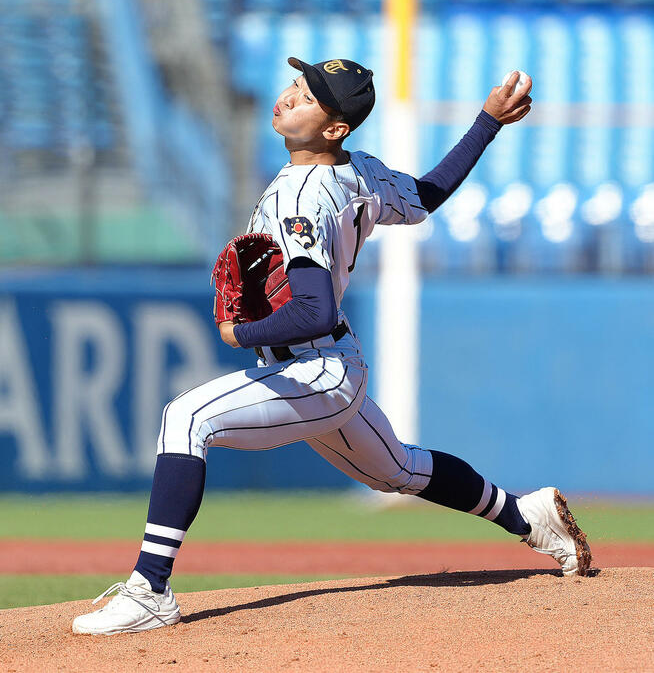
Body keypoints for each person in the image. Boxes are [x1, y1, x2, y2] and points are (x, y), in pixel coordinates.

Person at [72, 59, 591, 635]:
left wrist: (238, 334)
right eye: (295, 84)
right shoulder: (356, 171)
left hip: (315, 371)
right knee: (398, 470)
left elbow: (314, 310)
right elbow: (424, 196)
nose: (288, 96)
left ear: (335, 128)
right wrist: (486, 124)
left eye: (308, 95)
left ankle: (149, 590)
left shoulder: (304, 197)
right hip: (330, 367)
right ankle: (525, 513)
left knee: (185, 418)